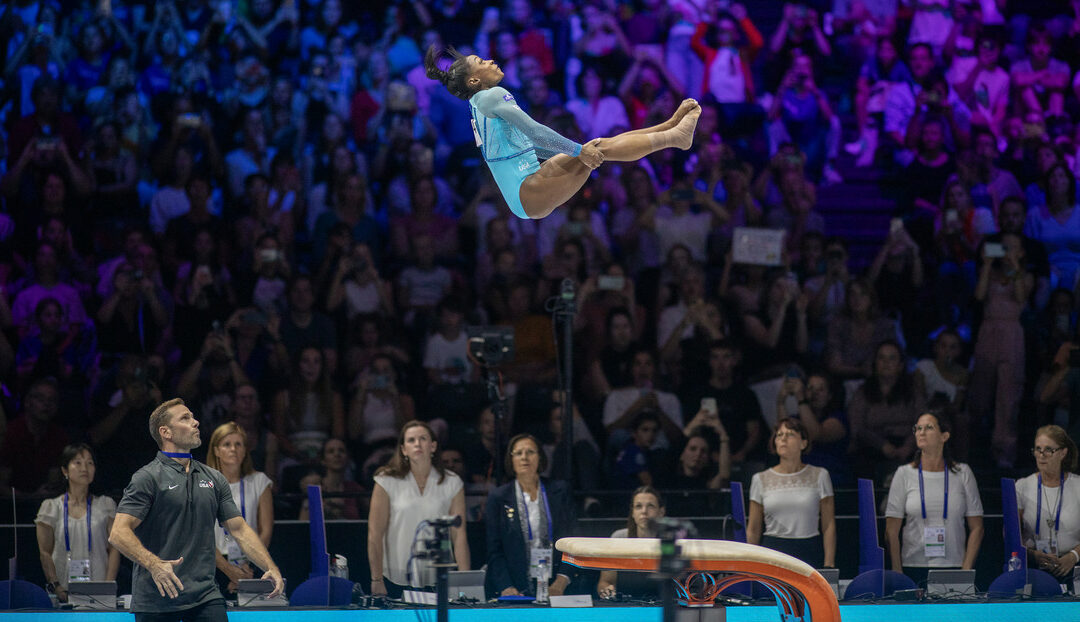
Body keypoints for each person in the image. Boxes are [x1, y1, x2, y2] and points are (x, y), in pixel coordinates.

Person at [424, 46, 700, 220]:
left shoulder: (478, 105)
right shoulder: (491, 95)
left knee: (598, 144)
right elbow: (535, 130)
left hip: (528, 186)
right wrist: (578, 151)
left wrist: (577, 150)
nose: (491, 60)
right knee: (593, 150)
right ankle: (673, 137)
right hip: (527, 191)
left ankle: (668, 128)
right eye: (481, 61)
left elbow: (525, 145)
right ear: (474, 81)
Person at [108, 398, 283, 621]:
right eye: (185, 418)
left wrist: (270, 566)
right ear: (166, 432)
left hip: (205, 596)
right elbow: (118, 533)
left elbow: (239, 529)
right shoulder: (147, 478)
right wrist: (154, 564)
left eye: (193, 416)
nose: (196, 422)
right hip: (156, 598)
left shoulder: (213, 478)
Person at [368, 420, 469, 598]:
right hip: (395, 577)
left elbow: (459, 536)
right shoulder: (386, 480)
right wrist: (376, 579)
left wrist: (465, 582)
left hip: (439, 577)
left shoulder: (452, 482)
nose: (417, 444)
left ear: (433, 446)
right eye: (411, 440)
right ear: (403, 449)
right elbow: (375, 534)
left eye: (423, 438)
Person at [884, 411, 984, 587]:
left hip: (954, 565)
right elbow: (891, 530)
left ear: (944, 436)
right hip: (912, 565)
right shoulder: (904, 474)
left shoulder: (962, 473)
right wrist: (897, 570)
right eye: (918, 428)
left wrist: (966, 570)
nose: (921, 432)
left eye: (929, 427)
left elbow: (977, 527)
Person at [484, 433, 576, 598]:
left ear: (540, 457)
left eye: (530, 452)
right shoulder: (498, 498)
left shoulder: (559, 491)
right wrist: (506, 587)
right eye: (518, 453)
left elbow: (573, 542)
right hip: (516, 588)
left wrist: (561, 582)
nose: (524, 457)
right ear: (511, 460)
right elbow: (494, 551)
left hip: (557, 586)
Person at [35, 444, 120, 602]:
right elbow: (45, 552)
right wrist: (56, 586)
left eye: (90, 463)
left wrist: (107, 586)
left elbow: (114, 549)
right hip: (63, 591)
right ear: (65, 470)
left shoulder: (106, 505)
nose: (84, 468)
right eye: (78, 462)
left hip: (99, 590)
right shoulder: (51, 507)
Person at [747, 418, 836, 569]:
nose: (783, 438)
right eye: (779, 434)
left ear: (803, 443)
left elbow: (828, 524)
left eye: (790, 434)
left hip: (809, 549)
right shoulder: (760, 479)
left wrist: (829, 563)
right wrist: (750, 565)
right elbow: (753, 529)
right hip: (773, 549)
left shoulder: (820, 475)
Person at [205, 422, 274, 594]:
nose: (233, 449)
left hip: (251, 564)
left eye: (238, 444)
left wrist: (248, 564)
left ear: (245, 450)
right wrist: (228, 569)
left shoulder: (259, 481)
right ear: (216, 451)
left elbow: (266, 530)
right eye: (226, 444)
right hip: (213, 562)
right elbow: (200, 534)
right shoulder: (204, 484)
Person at [1016, 425, 1080, 581]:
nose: (1041, 455)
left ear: (1063, 453)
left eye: (1049, 450)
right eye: (1038, 449)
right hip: (1034, 569)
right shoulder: (1022, 486)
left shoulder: (1078, 486)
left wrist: (1073, 556)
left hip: (1074, 568)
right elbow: (1011, 534)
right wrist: (1033, 555)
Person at [597, 486, 667, 600]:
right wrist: (606, 591)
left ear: (661, 512)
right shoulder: (618, 538)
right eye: (638, 506)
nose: (644, 511)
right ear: (633, 513)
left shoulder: (670, 541)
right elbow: (605, 582)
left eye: (650, 506)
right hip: (627, 605)